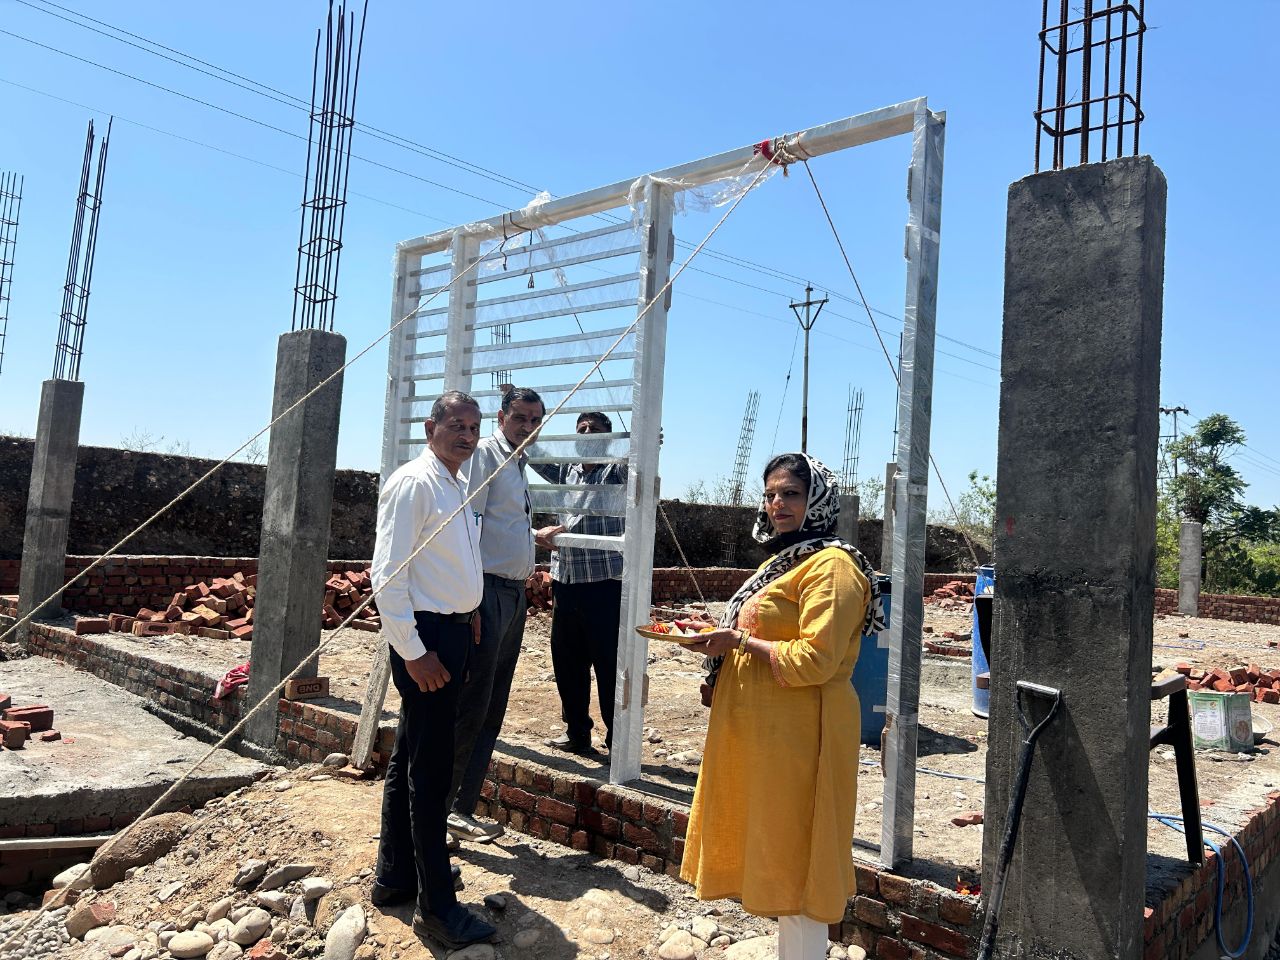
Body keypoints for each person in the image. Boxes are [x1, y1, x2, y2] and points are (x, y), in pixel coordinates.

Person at [679, 453, 885, 960]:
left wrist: (738, 642)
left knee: (801, 851)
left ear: (818, 500)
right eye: (770, 494)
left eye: (791, 493)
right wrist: (719, 646)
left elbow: (816, 660)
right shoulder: (785, 560)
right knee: (776, 842)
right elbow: (760, 630)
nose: (777, 504)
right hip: (768, 731)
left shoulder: (832, 567)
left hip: (805, 732)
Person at [369, 390, 497, 951]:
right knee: (432, 768)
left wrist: (470, 609)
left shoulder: (457, 483)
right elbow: (387, 574)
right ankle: (438, 908)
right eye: (456, 425)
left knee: (411, 754)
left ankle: (397, 875)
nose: (466, 436)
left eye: (473, 427)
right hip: (426, 640)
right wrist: (413, 650)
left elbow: (448, 563)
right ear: (431, 427)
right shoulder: (414, 483)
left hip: (452, 630)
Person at [447, 386, 545, 843]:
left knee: (491, 703)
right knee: (473, 703)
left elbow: (501, 524)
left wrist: (535, 536)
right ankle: (445, 807)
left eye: (535, 420)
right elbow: (469, 523)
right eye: (520, 418)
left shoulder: (517, 462)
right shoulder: (487, 455)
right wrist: (471, 601)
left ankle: (460, 807)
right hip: (486, 592)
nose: (527, 427)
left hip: (512, 593)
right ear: (502, 418)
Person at [532, 411, 625, 755]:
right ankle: (577, 734)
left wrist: (646, 441)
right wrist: (511, 406)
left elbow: (638, 462)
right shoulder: (565, 472)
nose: (586, 432)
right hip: (566, 582)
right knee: (568, 663)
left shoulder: (614, 470)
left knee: (609, 665)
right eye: (581, 428)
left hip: (604, 585)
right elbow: (533, 453)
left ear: (608, 438)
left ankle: (618, 742)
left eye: (594, 428)